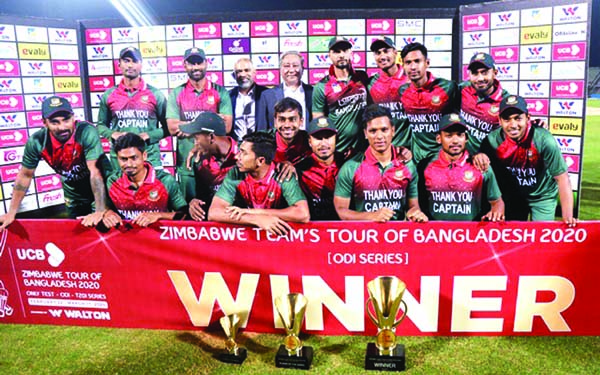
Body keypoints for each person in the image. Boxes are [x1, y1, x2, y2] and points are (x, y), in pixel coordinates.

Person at [0, 96, 111, 229]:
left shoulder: (86, 131)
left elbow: (95, 172)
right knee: (77, 235)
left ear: (73, 117)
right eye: (55, 122)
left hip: (102, 188)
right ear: (44, 123)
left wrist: (99, 210)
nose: (62, 127)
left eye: (66, 120)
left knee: (103, 232)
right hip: (73, 192)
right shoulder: (37, 141)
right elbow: (25, 175)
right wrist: (12, 212)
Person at [479, 95, 577, 226]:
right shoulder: (491, 141)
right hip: (513, 196)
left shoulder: (543, 139)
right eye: (507, 120)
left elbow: (562, 178)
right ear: (500, 121)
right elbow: (487, 177)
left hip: (543, 196)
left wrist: (568, 218)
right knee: (512, 239)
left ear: (528, 118)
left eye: (518, 118)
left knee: (542, 237)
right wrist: (496, 203)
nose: (513, 125)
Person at [334, 104, 427, 222]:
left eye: (384, 130)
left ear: (393, 131)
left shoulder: (408, 165)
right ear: (365, 134)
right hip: (364, 237)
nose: (379, 136)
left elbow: (413, 206)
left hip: (398, 237)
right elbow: (341, 211)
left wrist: (415, 213)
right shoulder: (351, 167)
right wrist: (371, 216)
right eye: (373, 131)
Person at [208, 131, 310, 236]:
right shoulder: (235, 173)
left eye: (244, 153)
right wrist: (255, 219)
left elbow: (302, 214)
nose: (237, 157)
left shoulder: (283, 175)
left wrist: (255, 212)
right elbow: (214, 212)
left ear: (260, 161)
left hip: (280, 238)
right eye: (239, 151)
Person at [166, 47, 233, 201]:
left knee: (215, 211)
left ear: (206, 63)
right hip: (186, 164)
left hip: (214, 165)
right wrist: (211, 120)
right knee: (189, 211)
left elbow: (226, 127)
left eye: (199, 62)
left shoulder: (220, 91)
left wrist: (189, 127)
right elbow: (172, 127)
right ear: (184, 65)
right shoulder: (177, 93)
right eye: (191, 63)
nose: (196, 67)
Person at [417, 113, 504, 221]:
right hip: (435, 235)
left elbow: (497, 202)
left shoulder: (481, 166)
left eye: (460, 135)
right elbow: (414, 204)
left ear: (466, 138)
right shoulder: (425, 166)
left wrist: (496, 213)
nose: (455, 141)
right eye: (449, 135)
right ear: (439, 138)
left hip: (471, 235)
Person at [96, 46, 167, 169]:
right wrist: (113, 134)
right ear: (119, 64)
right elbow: (101, 125)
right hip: (120, 161)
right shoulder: (109, 95)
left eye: (134, 61)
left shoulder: (155, 94)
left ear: (141, 65)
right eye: (126, 61)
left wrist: (149, 136)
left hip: (149, 159)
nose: (130, 65)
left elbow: (169, 128)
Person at [102, 133, 187, 228]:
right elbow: (102, 209)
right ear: (117, 158)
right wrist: (108, 213)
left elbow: (184, 214)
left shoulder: (165, 181)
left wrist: (159, 215)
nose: (129, 164)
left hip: (158, 240)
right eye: (123, 159)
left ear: (144, 155)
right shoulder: (112, 182)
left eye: (134, 158)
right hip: (124, 240)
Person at [398, 42, 458, 163]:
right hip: (416, 158)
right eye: (408, 63)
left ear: (427, 63)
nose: (413, 67)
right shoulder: (402, 91)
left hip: (443, 157)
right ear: (403, 66)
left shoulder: (448, 87)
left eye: (417, 61)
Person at [312, 36, 371, 157]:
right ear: (329, 55)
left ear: (351, 53)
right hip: (339, 151)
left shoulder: (362, 77)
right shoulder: (322, 86)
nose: (341, 55)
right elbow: (318, 124)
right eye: (336, 51)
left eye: (345, 50)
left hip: (365, 149)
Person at [179, 112, 239, 221]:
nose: (195, 144)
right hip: (215, 229)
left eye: (196, 139)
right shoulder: (201, 163)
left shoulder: (245, 156)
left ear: (211, 137)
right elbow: (202, 198)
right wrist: (194, 203)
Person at [459, 52, 510, 154]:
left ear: (495, 73)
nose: (480, 78)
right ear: (469, 75)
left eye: (485, 72)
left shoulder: (506, 102)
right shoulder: (462, 89)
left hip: (486, 163)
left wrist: (536, 126)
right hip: (461, 160)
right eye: (475, 73)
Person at [296, 116, 345, 220]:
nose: (323, 143)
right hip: (312, 229)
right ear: (309, 141)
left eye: (328, 137)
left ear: (336, 138)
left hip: (345, 228)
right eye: (318, 138)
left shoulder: (347, 163)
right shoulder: (299, 170)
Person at [368, 36, 411, 148]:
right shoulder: (371, 83)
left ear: (395, 53)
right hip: (383, 150)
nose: (382, 56)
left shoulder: (410, 78)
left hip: (408, 150)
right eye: (378, 53)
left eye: (386, 51)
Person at [257, 51, 313, 130]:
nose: (291, 70)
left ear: (303, 69)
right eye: (287, 66)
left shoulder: (313, 93)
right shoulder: (267, 96)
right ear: (280, 69)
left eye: (295, 66)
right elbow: (262, 129)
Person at [228, 58, 267, 142]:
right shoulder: (228, 96)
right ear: (234, 75)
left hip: (260, 146)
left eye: (247, 70)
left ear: (254, 73)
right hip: (236, 148)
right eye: (239, 71)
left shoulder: (266, 94)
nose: (243, 74)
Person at [272, 97, 312, 166]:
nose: (287, 125)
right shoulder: (263, 142)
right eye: (282, 119)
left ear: (301, 121)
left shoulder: (309, 142)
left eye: (292, 119)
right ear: (275, 122)